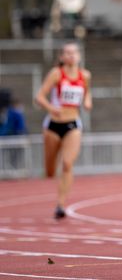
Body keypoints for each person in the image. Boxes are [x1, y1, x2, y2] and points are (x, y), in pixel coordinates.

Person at [35, 42, 92, 219]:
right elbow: (39, 97)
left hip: (72, 124)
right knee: (51, 171)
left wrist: (88, 101)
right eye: (67, 53)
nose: (71, 55)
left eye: (74, 52)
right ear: (61, 57)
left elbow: (87, 92)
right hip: (53, 125)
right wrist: (51, 108)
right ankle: (51, 170)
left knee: (67, 164)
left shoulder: (85, 75)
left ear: (79, 56)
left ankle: (61, 205)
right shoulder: (56, 74)